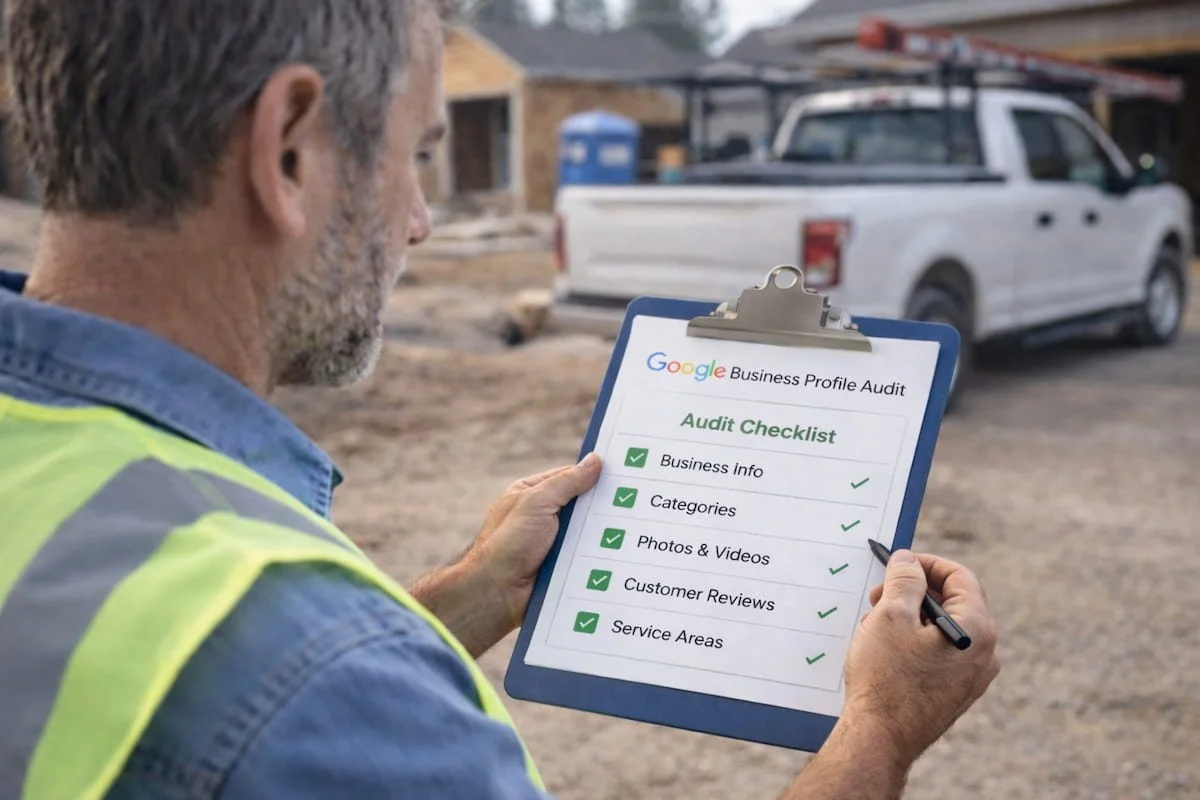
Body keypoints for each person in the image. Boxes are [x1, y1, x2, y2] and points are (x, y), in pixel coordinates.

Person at [0, 0, 1000, 797]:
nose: (421, 221)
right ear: (289, 149)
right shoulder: (328, 679)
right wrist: (880, 729)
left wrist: (469, 593)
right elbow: (302, 682)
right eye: (417, 155)